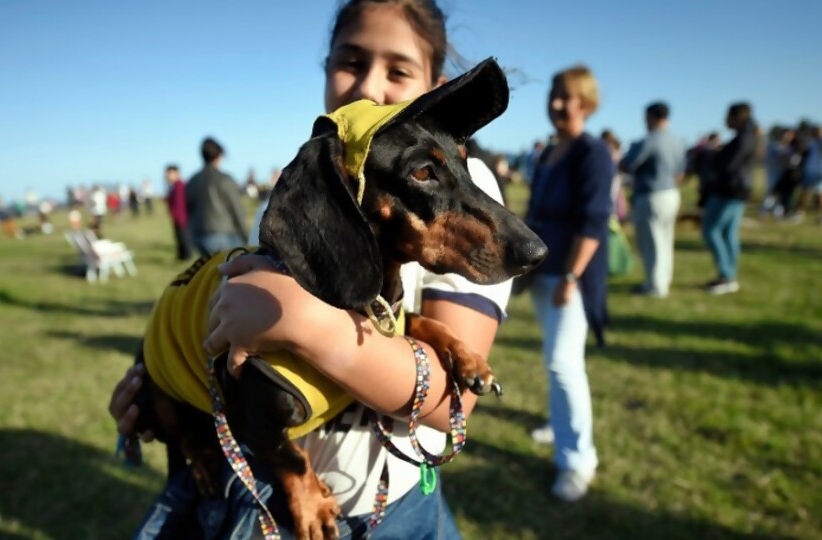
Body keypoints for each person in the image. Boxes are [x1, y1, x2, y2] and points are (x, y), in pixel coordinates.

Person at [110, 0, 512, 537]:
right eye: (351, 61)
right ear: (325, 69)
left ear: (434, 85)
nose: (370, 87)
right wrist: (168, 397)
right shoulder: (303, 194)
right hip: (264, 494)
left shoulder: (461, 199)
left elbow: (451, 402)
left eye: (398, 71)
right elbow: (232, 338)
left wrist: (304, 322)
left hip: (386, 508)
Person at [522, 66, 612, 502]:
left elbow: (594, 223)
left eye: (568, 97)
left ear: (586, 104)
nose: (558, 103)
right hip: (545, 272)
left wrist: (572, 276)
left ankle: (578, 460)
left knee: (563, 363)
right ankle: (560, 427)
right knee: (554, 357)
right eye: (554, 94)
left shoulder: (592, 154)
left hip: (570, 277)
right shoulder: (549, 154)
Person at [620, 102, 685, 298]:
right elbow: (680, 172)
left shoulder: (649, 140)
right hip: (671, 193)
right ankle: (663, 280)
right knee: (665, 239)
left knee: (651, 242)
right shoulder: (677, 141)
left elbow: (628, 164)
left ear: (651, 117)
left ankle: (655, 286)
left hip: (651, 195)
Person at [701, 102, 758, 295]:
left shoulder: (744, 139)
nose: (725, 120)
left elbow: (728, 165)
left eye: (728, 116)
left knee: (711, 230)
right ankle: (729, 275)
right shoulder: (748, 137)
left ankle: (726, 276)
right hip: (737, 191)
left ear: (736, 118)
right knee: (728, 233)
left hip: (730, 192)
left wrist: (713, 155)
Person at [185, 137, 248, 256]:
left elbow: (189, 210)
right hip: (225, 235)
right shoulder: (225, 179)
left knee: (212, 272)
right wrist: (246, 237)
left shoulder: (192, 181)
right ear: (219, 155)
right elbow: (236, 209)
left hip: (200, 235)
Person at [164, 164, 191, 261]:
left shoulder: (180, 186)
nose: (167, 176)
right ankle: (181, 256)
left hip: (182, 217)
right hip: (177, 217)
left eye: (169, 173)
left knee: (184, 237)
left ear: (176, 173)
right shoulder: (174, 186)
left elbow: (179, 203)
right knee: (179, 237)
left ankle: (186, 257)